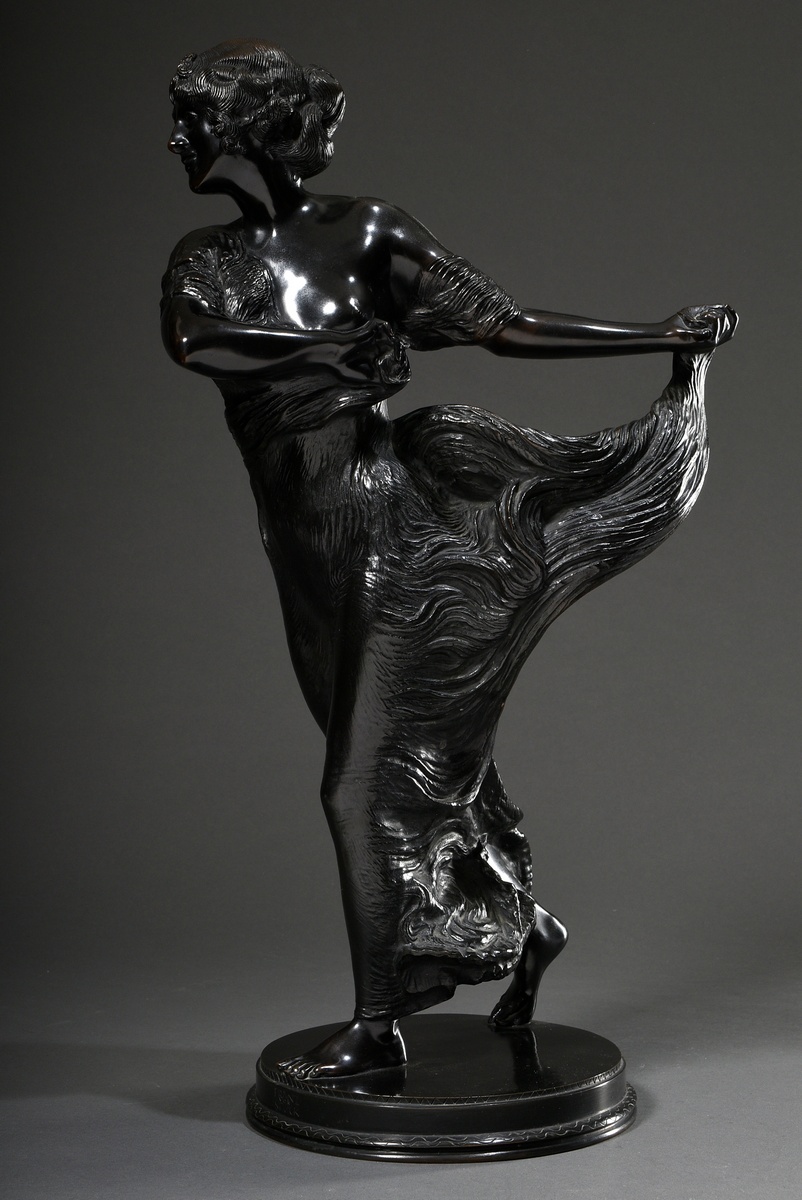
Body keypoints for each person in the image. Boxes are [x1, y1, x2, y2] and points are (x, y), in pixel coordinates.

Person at [162, 40, 736, 1079]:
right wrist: (331, 353)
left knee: (357, 788)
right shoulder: (206, 260)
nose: (176, 137)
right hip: (304, 559)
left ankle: (375, 1026)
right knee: (413, 770)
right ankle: (524, 925)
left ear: (250, 125)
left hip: (396, 544)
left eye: (193, 116)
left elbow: (503, 324)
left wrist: (658, 333)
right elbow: (196, 342)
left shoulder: (366, 231)